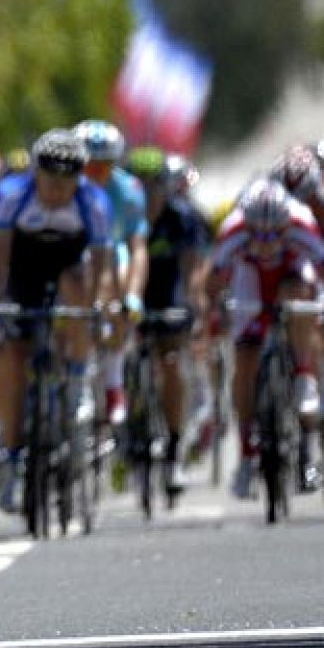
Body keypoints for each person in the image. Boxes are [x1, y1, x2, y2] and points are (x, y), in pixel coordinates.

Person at [0, 130, 111, 513]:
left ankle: (76, 378)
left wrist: (98, 308)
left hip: (69, 268)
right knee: (11, 356)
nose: (57, 189)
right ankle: (10, 456)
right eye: (49, 179)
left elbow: (101, 268)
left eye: (66, 181)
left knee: (78, 288)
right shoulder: (11, 195)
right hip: (24, 271)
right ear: (35, 173)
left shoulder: (93, 201)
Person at [208, 179, 324, 499]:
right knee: (245, 362)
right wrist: (214, 315)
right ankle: (246, 456)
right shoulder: (233, 230)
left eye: (275, 234)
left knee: (300, 298)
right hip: (250, 280)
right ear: (247, 226)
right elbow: (211, 283)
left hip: (292, 273)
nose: (266, 243)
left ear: (286, 225)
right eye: (258, 235)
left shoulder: (302, 223)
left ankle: (303, 379)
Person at [124, 146, 208, 496]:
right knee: (124, 362)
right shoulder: (122, 214)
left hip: (169, 291)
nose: (147, 195)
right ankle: (125, 435)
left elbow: (193, 269)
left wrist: (195, 306)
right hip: (133, 291)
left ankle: (174, 449)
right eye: (139, 186)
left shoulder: (181, 216)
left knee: (171, 362)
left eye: (153, 186)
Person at [75, 120, 146, 427]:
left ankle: (114, 383)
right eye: (89, 167)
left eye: (103, 167)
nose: (95, 174)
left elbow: (137, 247)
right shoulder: (69, 187)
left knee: (117, 279)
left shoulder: (128, 190)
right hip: (77, 249)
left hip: (113, 252)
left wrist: (133, 296)